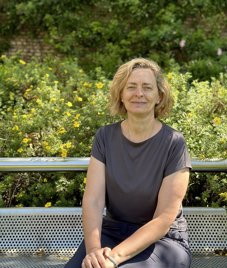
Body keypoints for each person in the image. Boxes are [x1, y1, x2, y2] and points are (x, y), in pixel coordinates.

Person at [65, 58, 192, 268]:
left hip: (162, 242)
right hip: (113, 233)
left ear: (159, 96)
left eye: (147, 87)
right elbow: (94, 200)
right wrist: (94, 251)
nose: (138, 93)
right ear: (121, 95)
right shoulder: (104, 137)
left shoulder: (174, 143)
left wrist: (113, 259)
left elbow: (162, 220)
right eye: (131, 87)